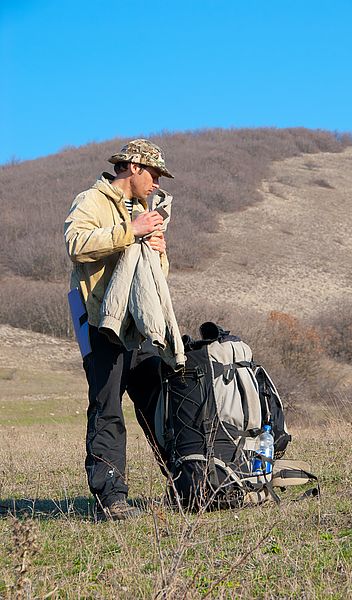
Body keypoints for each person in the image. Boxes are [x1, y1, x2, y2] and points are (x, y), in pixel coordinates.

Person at [64, 139, 175, 520]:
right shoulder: (91, 201)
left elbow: (155, 279)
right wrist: (131, 229)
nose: (158, 182)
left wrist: (158, 251)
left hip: (138, 327)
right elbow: (76, 244)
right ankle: (111, 500)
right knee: (107, 408)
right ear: (133, 168)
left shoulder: (148, 209)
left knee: (158, 404)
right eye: (155, 173)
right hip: (100, 324)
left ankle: (186, 483)